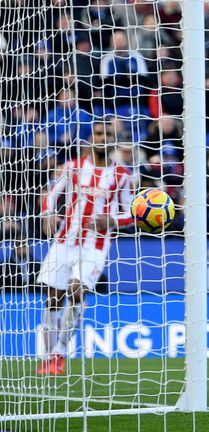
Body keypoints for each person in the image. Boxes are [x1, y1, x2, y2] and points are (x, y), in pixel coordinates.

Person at [36, 119, 135, 375]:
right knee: (53, 297)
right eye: (99, 133)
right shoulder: (72, 167)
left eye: (108, 134)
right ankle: (47, 356)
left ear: (114, 139)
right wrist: (48, 213)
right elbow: (50, 196)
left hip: (95, 246)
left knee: (76, 289)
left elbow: (131, 214)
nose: (103, 138)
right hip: (64, 241)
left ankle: (59, 352)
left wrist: (110, 220)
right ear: (92, 138)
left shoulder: (123, 176)